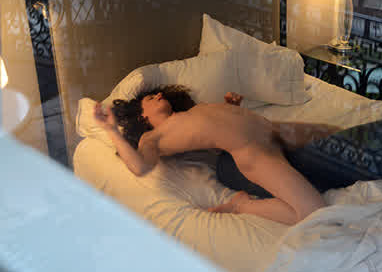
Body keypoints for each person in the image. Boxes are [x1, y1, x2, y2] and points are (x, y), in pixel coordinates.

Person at [93, 85, 342, 226]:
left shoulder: (191, 113)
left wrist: (231, 108)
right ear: (142, 116)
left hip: (276, 130)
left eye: (158, 94)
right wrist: (111, 130)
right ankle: (242, 206)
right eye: (151, 98)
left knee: (341, 135)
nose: (159, 95)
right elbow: (139, 167)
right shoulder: (152, 138)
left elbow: (216, 131)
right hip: (255, 153)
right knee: (315, 212)